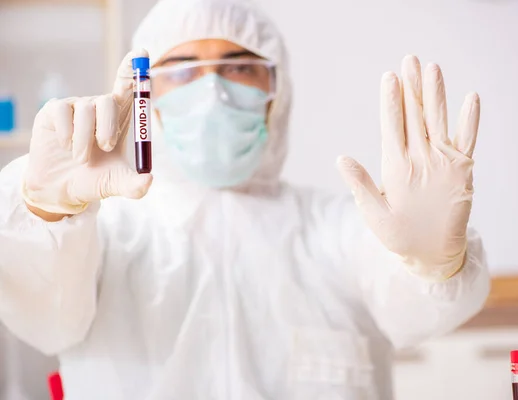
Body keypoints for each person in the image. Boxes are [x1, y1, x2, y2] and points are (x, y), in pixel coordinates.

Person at [0, 0, 490, 398]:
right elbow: (47, 321)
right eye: (183, 68)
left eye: (238, 66)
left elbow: (416, 311)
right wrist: (45, 211)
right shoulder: (104, 233)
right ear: (144, 90)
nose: (212, 88)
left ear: (276, 90)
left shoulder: (338, 228)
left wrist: (430, 263)